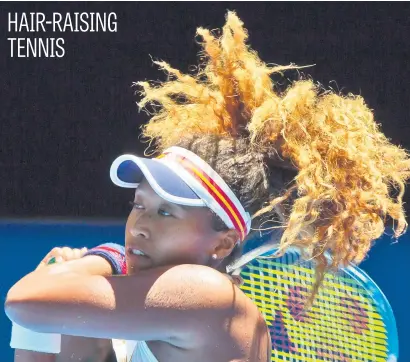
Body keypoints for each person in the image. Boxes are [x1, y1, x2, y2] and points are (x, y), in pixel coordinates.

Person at [5, 10, 410, 362]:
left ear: (222, 243)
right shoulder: (154, 307)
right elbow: (35, 316)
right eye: (139, 205)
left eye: (167, 212)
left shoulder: (204, 294)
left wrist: (104, 259)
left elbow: (24, 302)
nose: (140, 225)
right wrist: (58, 280)